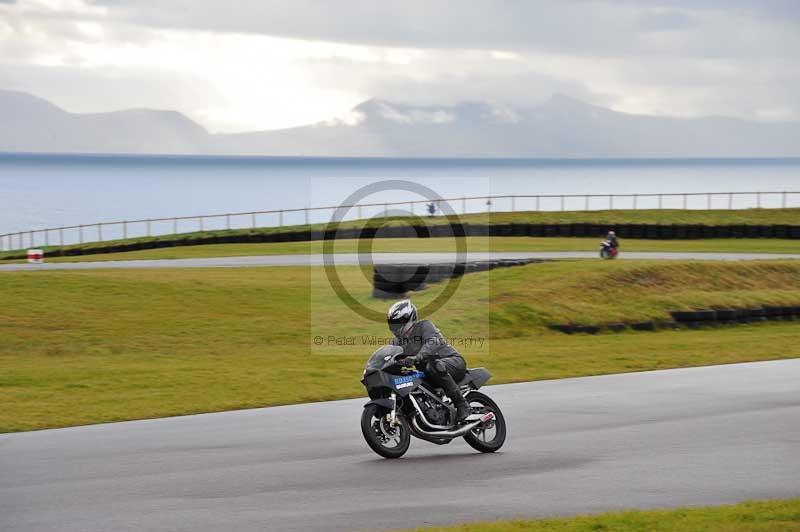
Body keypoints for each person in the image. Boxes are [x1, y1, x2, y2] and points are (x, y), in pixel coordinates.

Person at [387, 299, 471, 422]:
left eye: (398, 322)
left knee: (434, 365)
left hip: (453, 363)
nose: (395, 327)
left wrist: (417, 358)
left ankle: (462, 404)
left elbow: (433, 342)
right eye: (393, 323)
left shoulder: (424, 326)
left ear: (408, 318)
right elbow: (389, 356)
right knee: (408, 378)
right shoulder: (397, 342)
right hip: (429, 372)